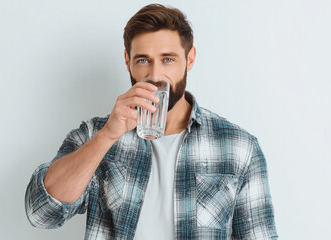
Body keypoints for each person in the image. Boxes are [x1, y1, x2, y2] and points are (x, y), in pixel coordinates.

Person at [25, 4, 278, 240]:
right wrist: (107, 136)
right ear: (128, 61)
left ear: (189, 59)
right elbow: (41, 213)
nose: (155, 75)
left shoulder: (239, 147)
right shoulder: (95, 134)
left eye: (168, 59)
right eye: (143, 60)